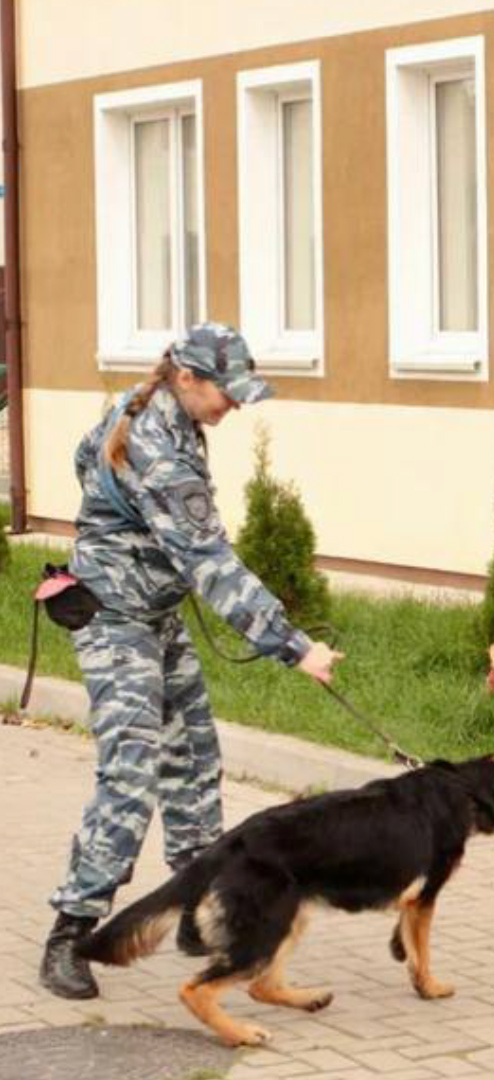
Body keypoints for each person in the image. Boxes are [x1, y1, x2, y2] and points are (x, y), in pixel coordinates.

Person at [41, 324, 343, 1001]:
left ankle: (196, 909)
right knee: (132, 772)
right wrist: (295, 646)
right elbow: (211, 562)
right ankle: (70, 931)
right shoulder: (157, 445)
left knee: (195, 758)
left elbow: (86, 462)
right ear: (186, 377)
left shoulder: (155, 415)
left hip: (155, 614)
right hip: (116, 621)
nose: (233, 405)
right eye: (226, 392)